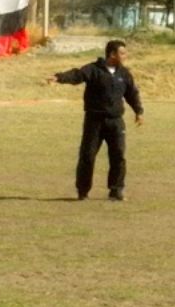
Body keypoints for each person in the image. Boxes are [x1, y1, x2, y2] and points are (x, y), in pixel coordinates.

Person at [47, 40, 144, 201]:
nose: (125, 56)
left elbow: (132, 94)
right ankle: (83, 191)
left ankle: (116, 190)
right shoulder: (93, 69)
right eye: (123, 53)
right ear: (113, 54)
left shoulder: (124, 74)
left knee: (118, 155)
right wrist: (59, 77)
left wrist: (138, 111)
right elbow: (77, 75)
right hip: (94, 121)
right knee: (88, 156)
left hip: (116, 121)